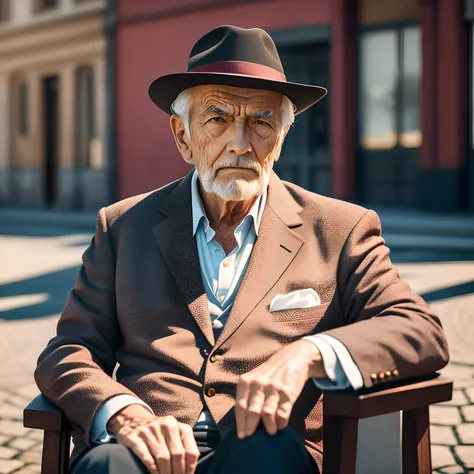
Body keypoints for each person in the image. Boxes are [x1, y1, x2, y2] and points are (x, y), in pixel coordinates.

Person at [34, 25, 449, 474]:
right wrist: (124, 414)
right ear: (182, 136)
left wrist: (307, 353)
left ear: (282, 137)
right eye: (217, 118)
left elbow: (418, 330)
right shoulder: (121, 227)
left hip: (266, 449)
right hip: (145, 450)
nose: (240, 141)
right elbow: (69, 350)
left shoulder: (342, 229)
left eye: (261, 121)